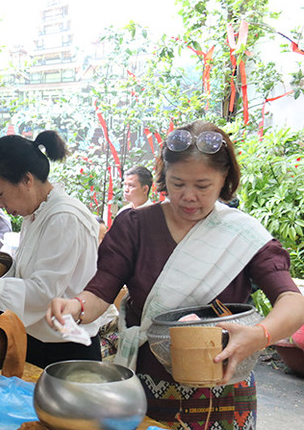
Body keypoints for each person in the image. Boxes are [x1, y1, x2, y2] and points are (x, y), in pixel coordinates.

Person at [46, 121, 304, 428]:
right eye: (178, 183)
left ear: (224, 179)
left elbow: (292, 301)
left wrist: (260, 335)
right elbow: (101, 290)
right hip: (148, 388)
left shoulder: (243, 236)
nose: (188, 196)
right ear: (163, 177)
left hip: (223, 393)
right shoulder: (135, 226)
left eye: (203, 186)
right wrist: (75, 307)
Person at [0, 131, 104, 368]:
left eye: (0, 193)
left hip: (66, 350)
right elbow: (26, 278)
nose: (0, 204)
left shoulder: (64, 218)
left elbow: (45, 293)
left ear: (27, 180)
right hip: (34, 340)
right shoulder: (35, 215)